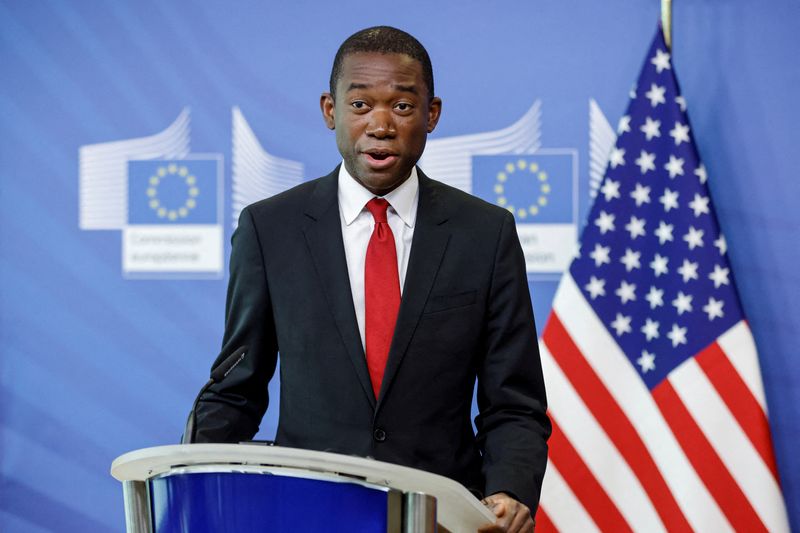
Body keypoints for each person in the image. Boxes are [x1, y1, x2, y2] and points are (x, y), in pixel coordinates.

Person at [195, 26, 551, 532]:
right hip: (308, 514)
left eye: (402, 107)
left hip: (441, 517)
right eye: (360, 105)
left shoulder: (486, 233)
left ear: (431, 114)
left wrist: (511, 488)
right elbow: (236, 388)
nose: (380, 125)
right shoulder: (269, 229)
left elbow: (514, 402)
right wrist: (191, 483)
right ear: (330, 110)